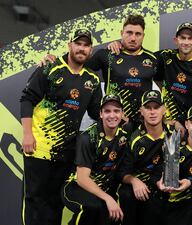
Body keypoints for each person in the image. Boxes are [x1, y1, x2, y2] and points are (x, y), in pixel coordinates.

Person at [20, 28, 102, 225]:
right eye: (78, 44)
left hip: (67, 153)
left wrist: (118, 117)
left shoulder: (92, 79)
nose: (81, 49)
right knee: (35, 202)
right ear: (70, 45)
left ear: (91, 50)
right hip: (39, 149)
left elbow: (97, 113)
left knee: (56, 203)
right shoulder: (50, 67)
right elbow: (27, 99)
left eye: (86, 45)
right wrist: (27, 135)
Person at [39, 15, 157, 133]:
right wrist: (53, 59)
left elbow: (167, 80)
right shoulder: (107, 55)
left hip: (144, 126)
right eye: (129, 33)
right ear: (121, 33)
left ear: (143, 36)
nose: (133, 38)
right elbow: (77, 62)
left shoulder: (153, 59)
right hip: (114, 124)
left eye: (138, 34)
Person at [61, 94, 128, 225]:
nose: (112, 115)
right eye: (107, 111)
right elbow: (82, 179)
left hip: (103, 190)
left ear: (122, 114)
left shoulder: (124, 138)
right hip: (76, 187)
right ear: (101, 114)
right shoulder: (88, 137)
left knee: (114, 214)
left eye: (116, 111)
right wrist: (108, 198)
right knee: (92, 207)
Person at [118, 90, 172, 225]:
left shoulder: (172, 137)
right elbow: (122, 173)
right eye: (148, 108)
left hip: (158, 185)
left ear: (164, 110)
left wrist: (162, 181)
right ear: (141, 111)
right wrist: (134, 181)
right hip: (134, 187)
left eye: (156, 107)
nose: (152, 112)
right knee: (126, 195)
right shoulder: (133, 138)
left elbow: (170, 170)